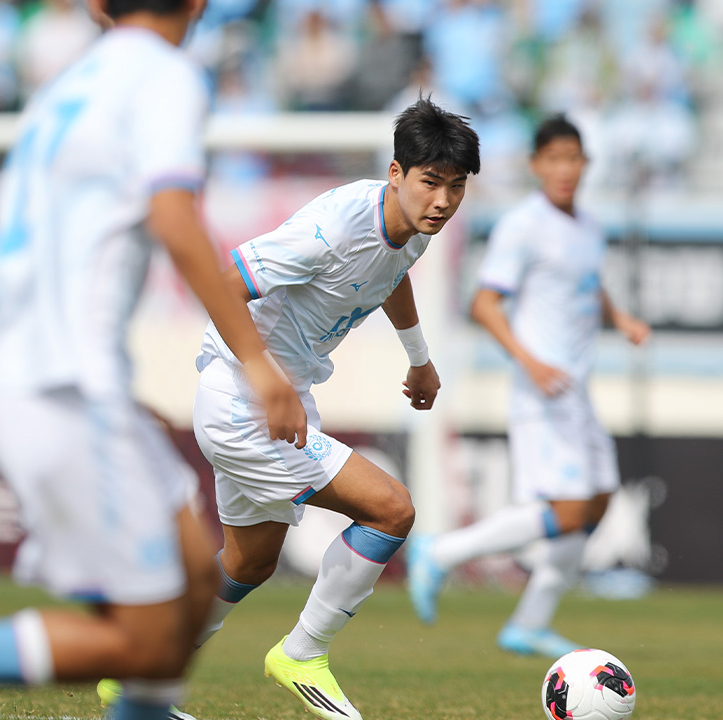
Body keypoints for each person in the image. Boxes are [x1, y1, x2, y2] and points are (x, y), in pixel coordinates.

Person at [0, 1, 305, 719]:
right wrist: (256, 362)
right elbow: (173, 216)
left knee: (196, 581)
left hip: (46, 376)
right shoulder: (165, 75)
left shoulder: (63, 88)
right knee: (152, 643)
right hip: (66, 386)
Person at [190, 97, 479, 720]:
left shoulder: (411, 227)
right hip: (244, 399)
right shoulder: (333, 229)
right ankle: (303, 653)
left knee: (249, 561)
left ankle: (140, 675)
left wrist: (419, 358)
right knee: (391, 509)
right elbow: (222, 283)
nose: (443, 201)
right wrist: (267, 380)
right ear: (396, 173)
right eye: (431, 182)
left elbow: (393, 273)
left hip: (273, 396)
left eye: (456, 187)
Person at [407, 115, 650, 658]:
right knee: (568, 511)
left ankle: (529, 624)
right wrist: (530, 363)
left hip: (576, 389)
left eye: (573, 158)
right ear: (537, 165)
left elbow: (588, 283)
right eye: (554, 158)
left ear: (586, 164)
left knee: (598, 502)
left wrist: (621, 318)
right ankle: (441, 552)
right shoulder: (523, 225)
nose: (565, 169)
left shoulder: (589, 226)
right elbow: (484, 304)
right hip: (541, 390)